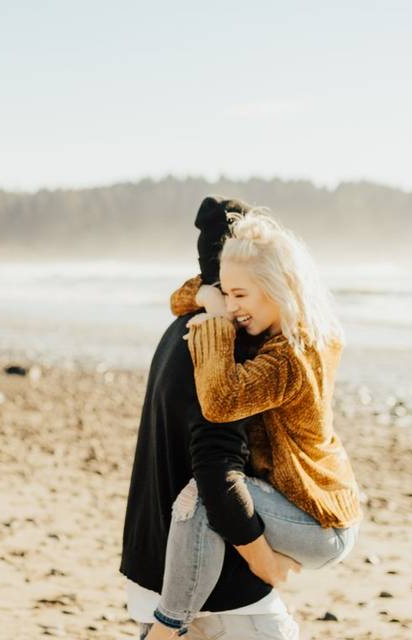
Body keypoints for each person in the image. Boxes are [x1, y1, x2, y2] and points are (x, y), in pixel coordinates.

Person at [147, 208, 363, 638]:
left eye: (240, 296)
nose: (232, 307)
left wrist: (213, 322)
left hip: (319, 520)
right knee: (212, 495)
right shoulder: (290, 326)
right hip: (306, 504)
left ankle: (164, 630)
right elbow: (179, 298)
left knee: (206, 495)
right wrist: (212, 296)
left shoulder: (291, 358)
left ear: (280, 288)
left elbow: (220, 400)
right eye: (226, 294)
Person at [120, 197, 301, 640]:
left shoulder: (180, 328)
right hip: (218, 589)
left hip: (152, 565)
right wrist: (267, 564)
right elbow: (216, 472)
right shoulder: (222, 346)